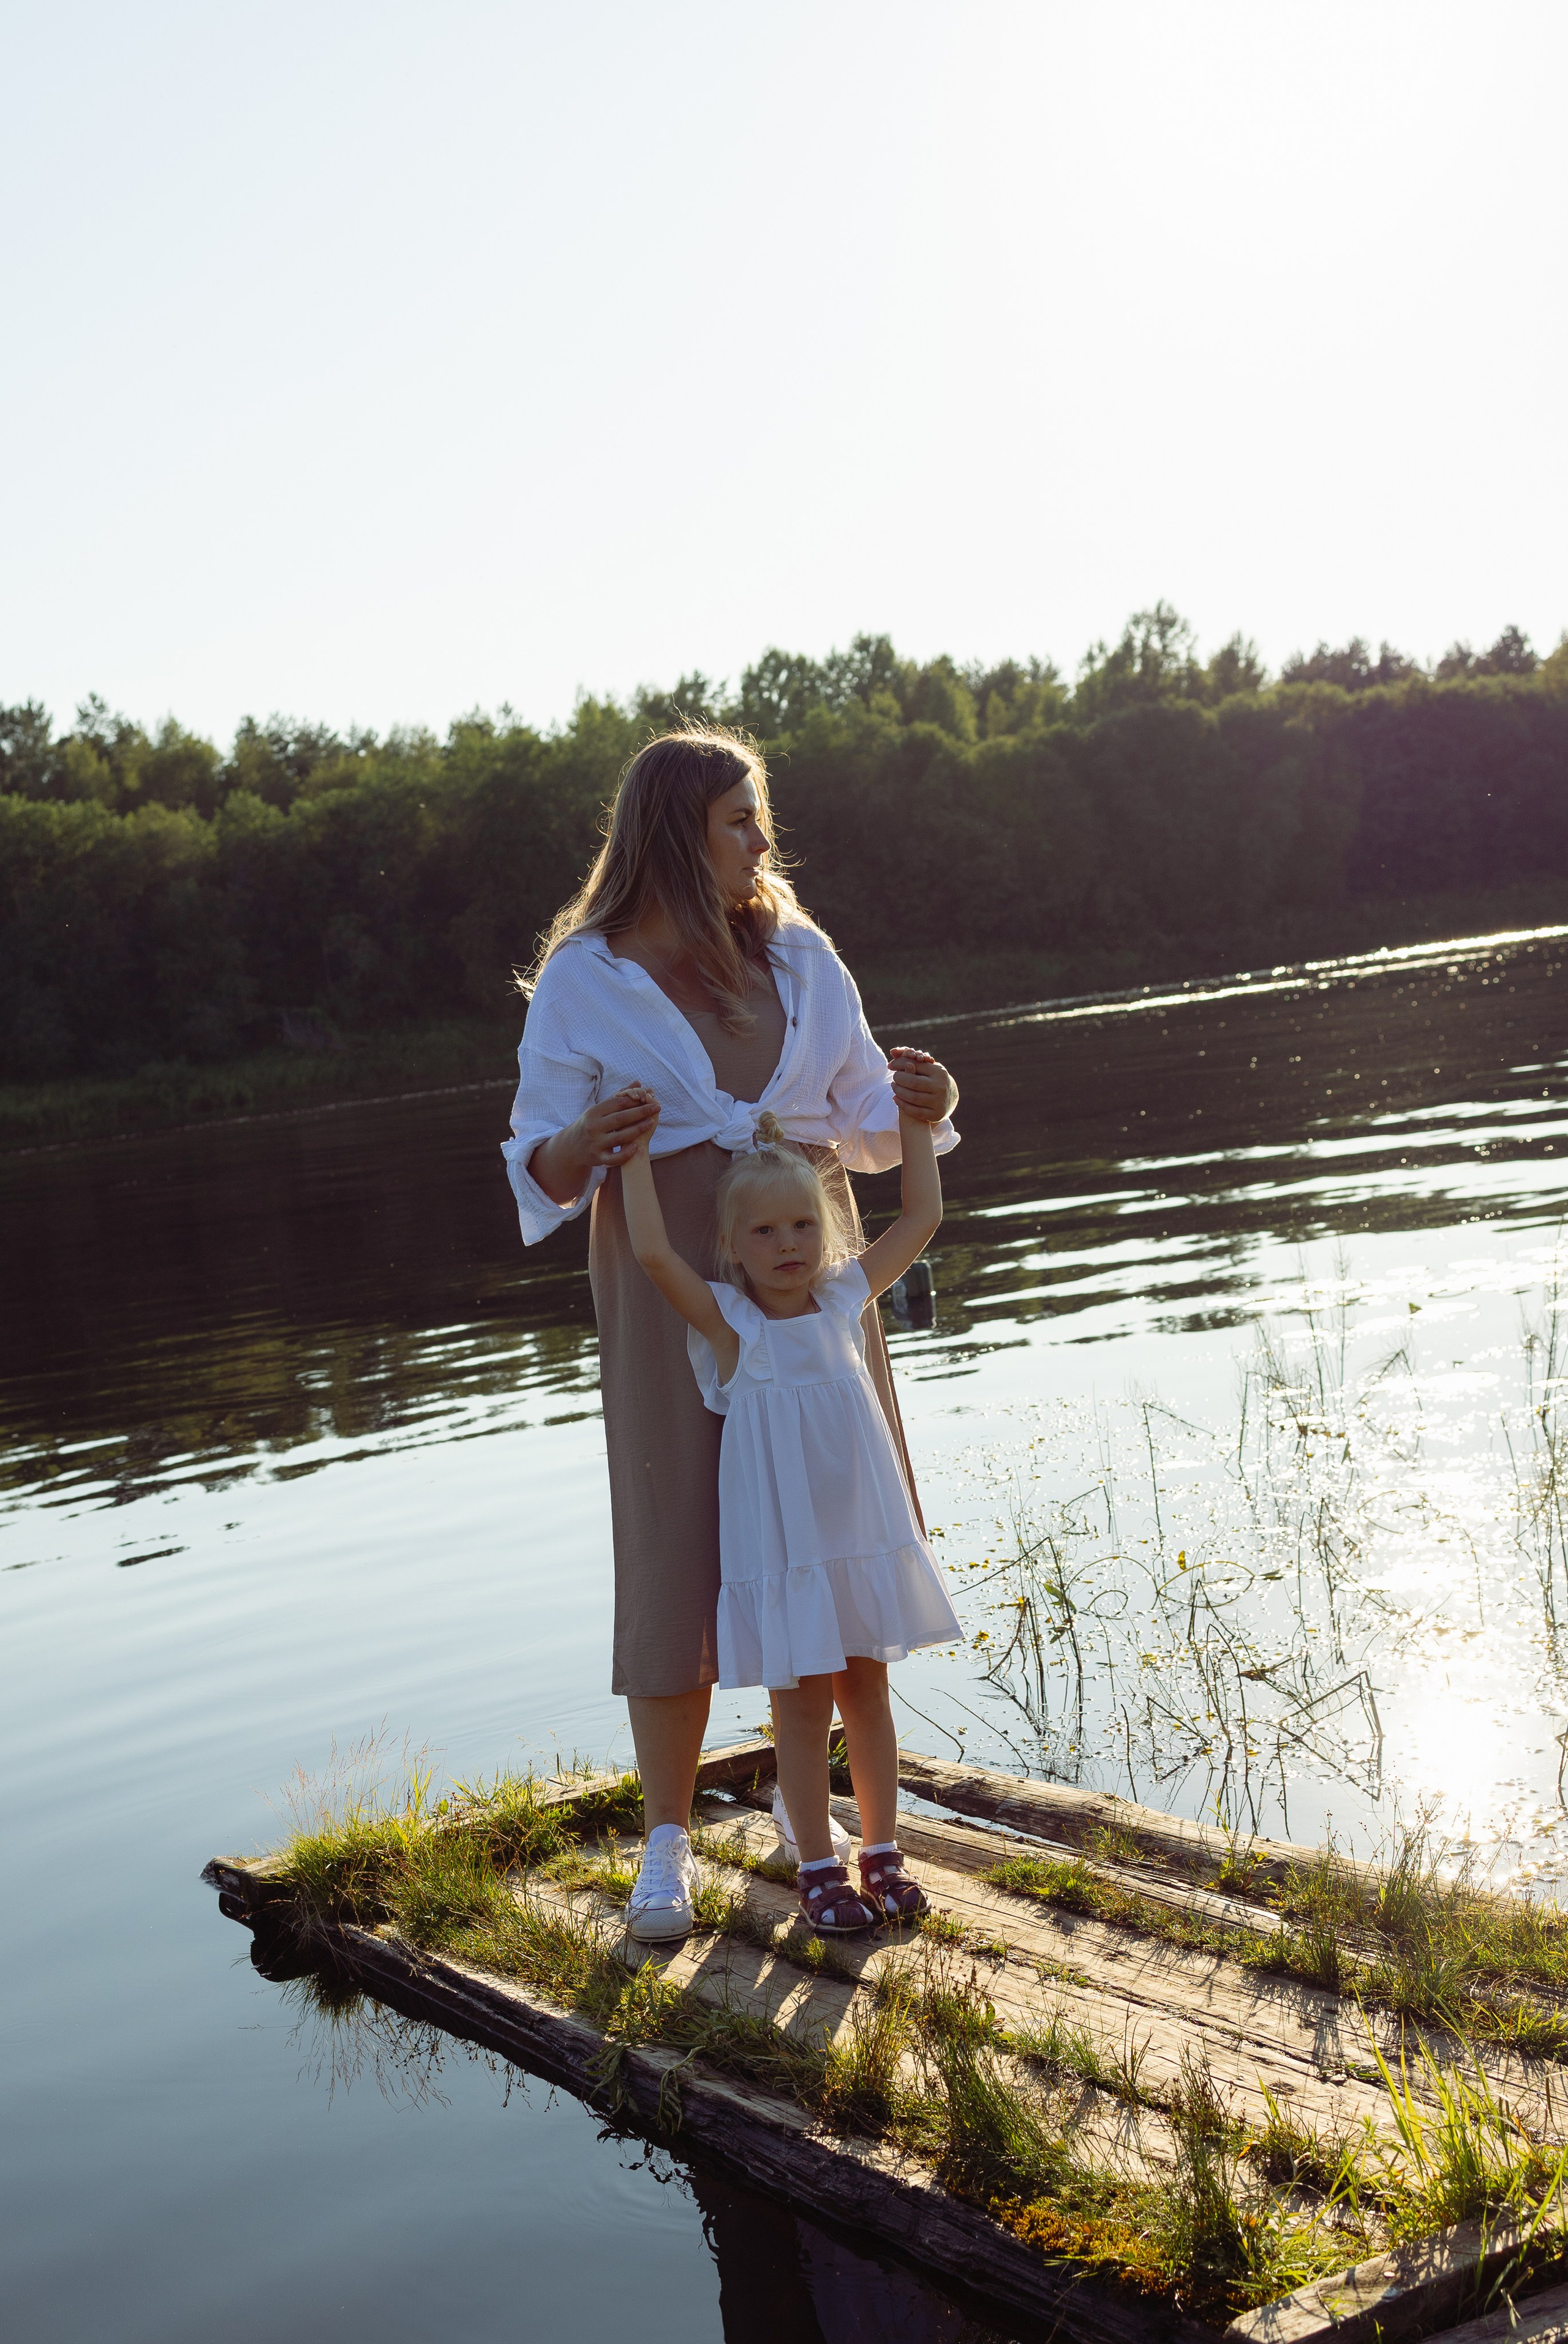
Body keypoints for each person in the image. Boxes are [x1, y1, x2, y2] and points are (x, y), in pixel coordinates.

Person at [502, 724, 958, 1938]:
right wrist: (586, 1144)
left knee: (820, 1533)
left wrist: (926, 1106)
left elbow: (865, 1117)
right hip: (671, 1284)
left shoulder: (799, 957)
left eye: (759, 817)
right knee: (678, 1539)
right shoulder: (587, 976)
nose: (760, 838)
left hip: (807, 1269)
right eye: (738, 819)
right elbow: (537, 1158)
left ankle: (843, 1829)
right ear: (672, 831)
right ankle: (664, 1842)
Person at [620, 1101, 962, 1932]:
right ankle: (818, 1867)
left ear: (826, 1232)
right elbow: (656, 1254)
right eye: (766, 1233)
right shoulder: (733, 1327)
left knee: (869, 1696)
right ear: (735, 1249)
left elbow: (922, 1214)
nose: (789, 1246)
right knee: (802, 1710)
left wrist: (916, 1123)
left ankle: (881, 1851)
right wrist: (629, 1158)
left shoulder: (844, 1300)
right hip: (786, 1552)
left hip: (856, 1542)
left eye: (803, 1225)